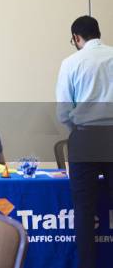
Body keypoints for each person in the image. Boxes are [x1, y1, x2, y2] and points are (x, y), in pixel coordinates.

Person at [56, 16, 113, 268]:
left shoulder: (71, 63)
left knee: (84, 210)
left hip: (84, 137)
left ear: (77, 38)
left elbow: (63, 111)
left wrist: (77, 130)